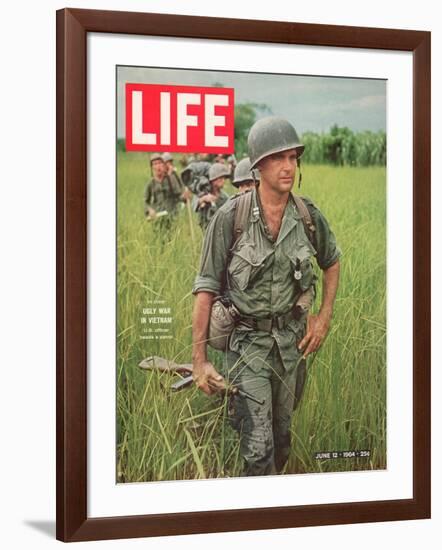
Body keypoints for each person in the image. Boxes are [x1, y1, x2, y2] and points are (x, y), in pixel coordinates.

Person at [191, 116, 341, 476]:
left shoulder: (307, 216)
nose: (288, 166)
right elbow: (206, 288)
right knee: (258, 451)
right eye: (278, 158)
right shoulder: (231, 217)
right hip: (246, 348)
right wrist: (199, 360)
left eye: (293, 157)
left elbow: (331, 262)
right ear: (258, 166)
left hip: (291, 348)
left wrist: (323, 318)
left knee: (282, 439)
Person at [143, 153, 184, 219]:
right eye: (155, 164)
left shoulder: (171, 179)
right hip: (158, 216)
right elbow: (146, 202)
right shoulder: (150, 183)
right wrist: (150, 210)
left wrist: (185, 196)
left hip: (172, 215)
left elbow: (179, 195)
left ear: (164, 165)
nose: (158, 166)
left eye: (160, 163)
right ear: (152, 167)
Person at [193, 162, 231, 230]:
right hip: (205, 228)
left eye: (224, 178)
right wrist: (203, 199)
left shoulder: (225, 197)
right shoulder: (203, 192)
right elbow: (194, 204)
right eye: (220, 178)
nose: (223, 181)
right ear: (213, 179)